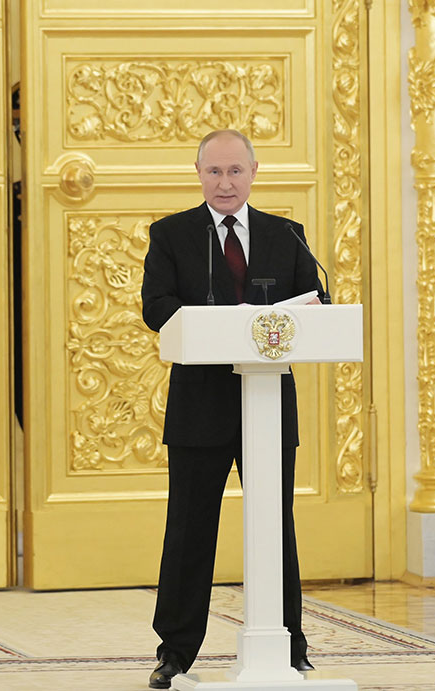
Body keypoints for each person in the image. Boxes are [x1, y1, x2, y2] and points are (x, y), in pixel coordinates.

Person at [141, 129, 322, 689]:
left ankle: (290, 645)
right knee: (190, 529)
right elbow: (157, 308)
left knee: (275, 526)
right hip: (200, 407)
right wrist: (220, 325)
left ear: (253, 172)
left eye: (235, 172)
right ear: (198, 174)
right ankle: (175, 650)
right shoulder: (170, 235)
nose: (225, 183)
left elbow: (315, 303)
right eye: (214, 172)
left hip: (267, 404)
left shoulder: (286, 235)